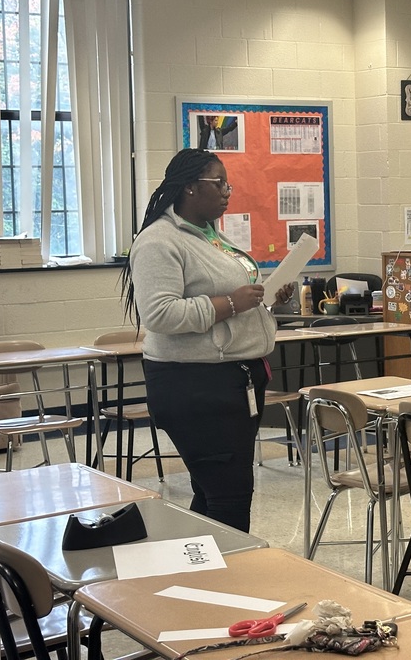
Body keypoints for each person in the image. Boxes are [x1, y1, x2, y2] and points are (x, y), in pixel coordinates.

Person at [120, 148, 292, 533]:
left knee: (213, 491)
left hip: (234, 378)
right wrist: (230, 302)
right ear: (191, 188)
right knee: (230, 496)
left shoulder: (213, 238)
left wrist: (267, 300)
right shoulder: (158, 242)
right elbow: (160, 315)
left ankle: (200, 575)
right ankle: (230, 581)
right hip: (195, 385)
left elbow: (237, 305)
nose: (228, 191)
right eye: (219, 183)